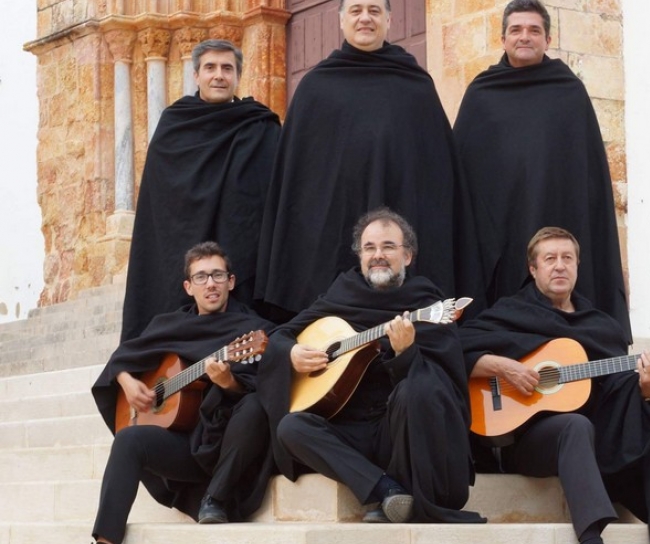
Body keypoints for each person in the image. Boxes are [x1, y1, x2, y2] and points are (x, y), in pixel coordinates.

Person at [458, 227, 650, 544]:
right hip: (531, 440)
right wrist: (500, 365)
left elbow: (618, 389)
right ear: (533, 269)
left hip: (599, 437)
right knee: (575, 425)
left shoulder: (600, 326)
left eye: (567, 258)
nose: (560, 265)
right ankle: (590, 537)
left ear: (577, 266)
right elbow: (455, 346)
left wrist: (648, 390)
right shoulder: (511, 313)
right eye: (550, 259)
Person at [254, 0, 491, 322]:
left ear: (389, 20)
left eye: (374, 10)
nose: (365, 18)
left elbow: (437, 175)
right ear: (341, 21)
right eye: (356, 10)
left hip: (403, 227)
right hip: (330, 237)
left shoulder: (416, 86)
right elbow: (298, 183)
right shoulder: (315, 88)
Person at [256, 208, 484, 523]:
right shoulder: (340, 294)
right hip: (349, 431)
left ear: (407, 256)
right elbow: (281, 334)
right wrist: (291, 352)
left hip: (400, 433)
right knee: (291, 428)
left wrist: (405, 355)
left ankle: (408, 493)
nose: (378, 255)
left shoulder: (426, 303)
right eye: (370, 248)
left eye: (388, 246)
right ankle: (386, 490)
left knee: (415, 390)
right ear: (360, 256)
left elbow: (441, 387)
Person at [452, 0, 631, 341]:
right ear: (502, 39)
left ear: (548, 39)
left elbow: (587, 175)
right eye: (516, 30)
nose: (525, 37)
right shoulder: (481, 94)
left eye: (534, 30)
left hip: (558, 218)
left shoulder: (569, 92)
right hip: (499, 229)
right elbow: (462, 172)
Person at [91, 242, 276, 544]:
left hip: (224, 448)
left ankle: (215, 498)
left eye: (218, 275)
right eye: (201, 277)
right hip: (181, 447)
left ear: (231, 282)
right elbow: (124, 357)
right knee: (128, 440)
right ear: (189, 287)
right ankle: (105, 541)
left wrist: (230, 384)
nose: (211, 284)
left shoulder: (251, 330)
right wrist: (125, 380)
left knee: (255, 404)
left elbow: (268, 385)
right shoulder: (169, 325)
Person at [121, 39, 281, 341]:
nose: (218, 75)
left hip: (243, 255)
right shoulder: (174, 123)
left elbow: (276, 193)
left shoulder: (260, 124)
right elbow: (160, 200)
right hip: (183, 251)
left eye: (227, 68)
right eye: (210, 68)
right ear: (196, 76)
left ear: (237, 76)